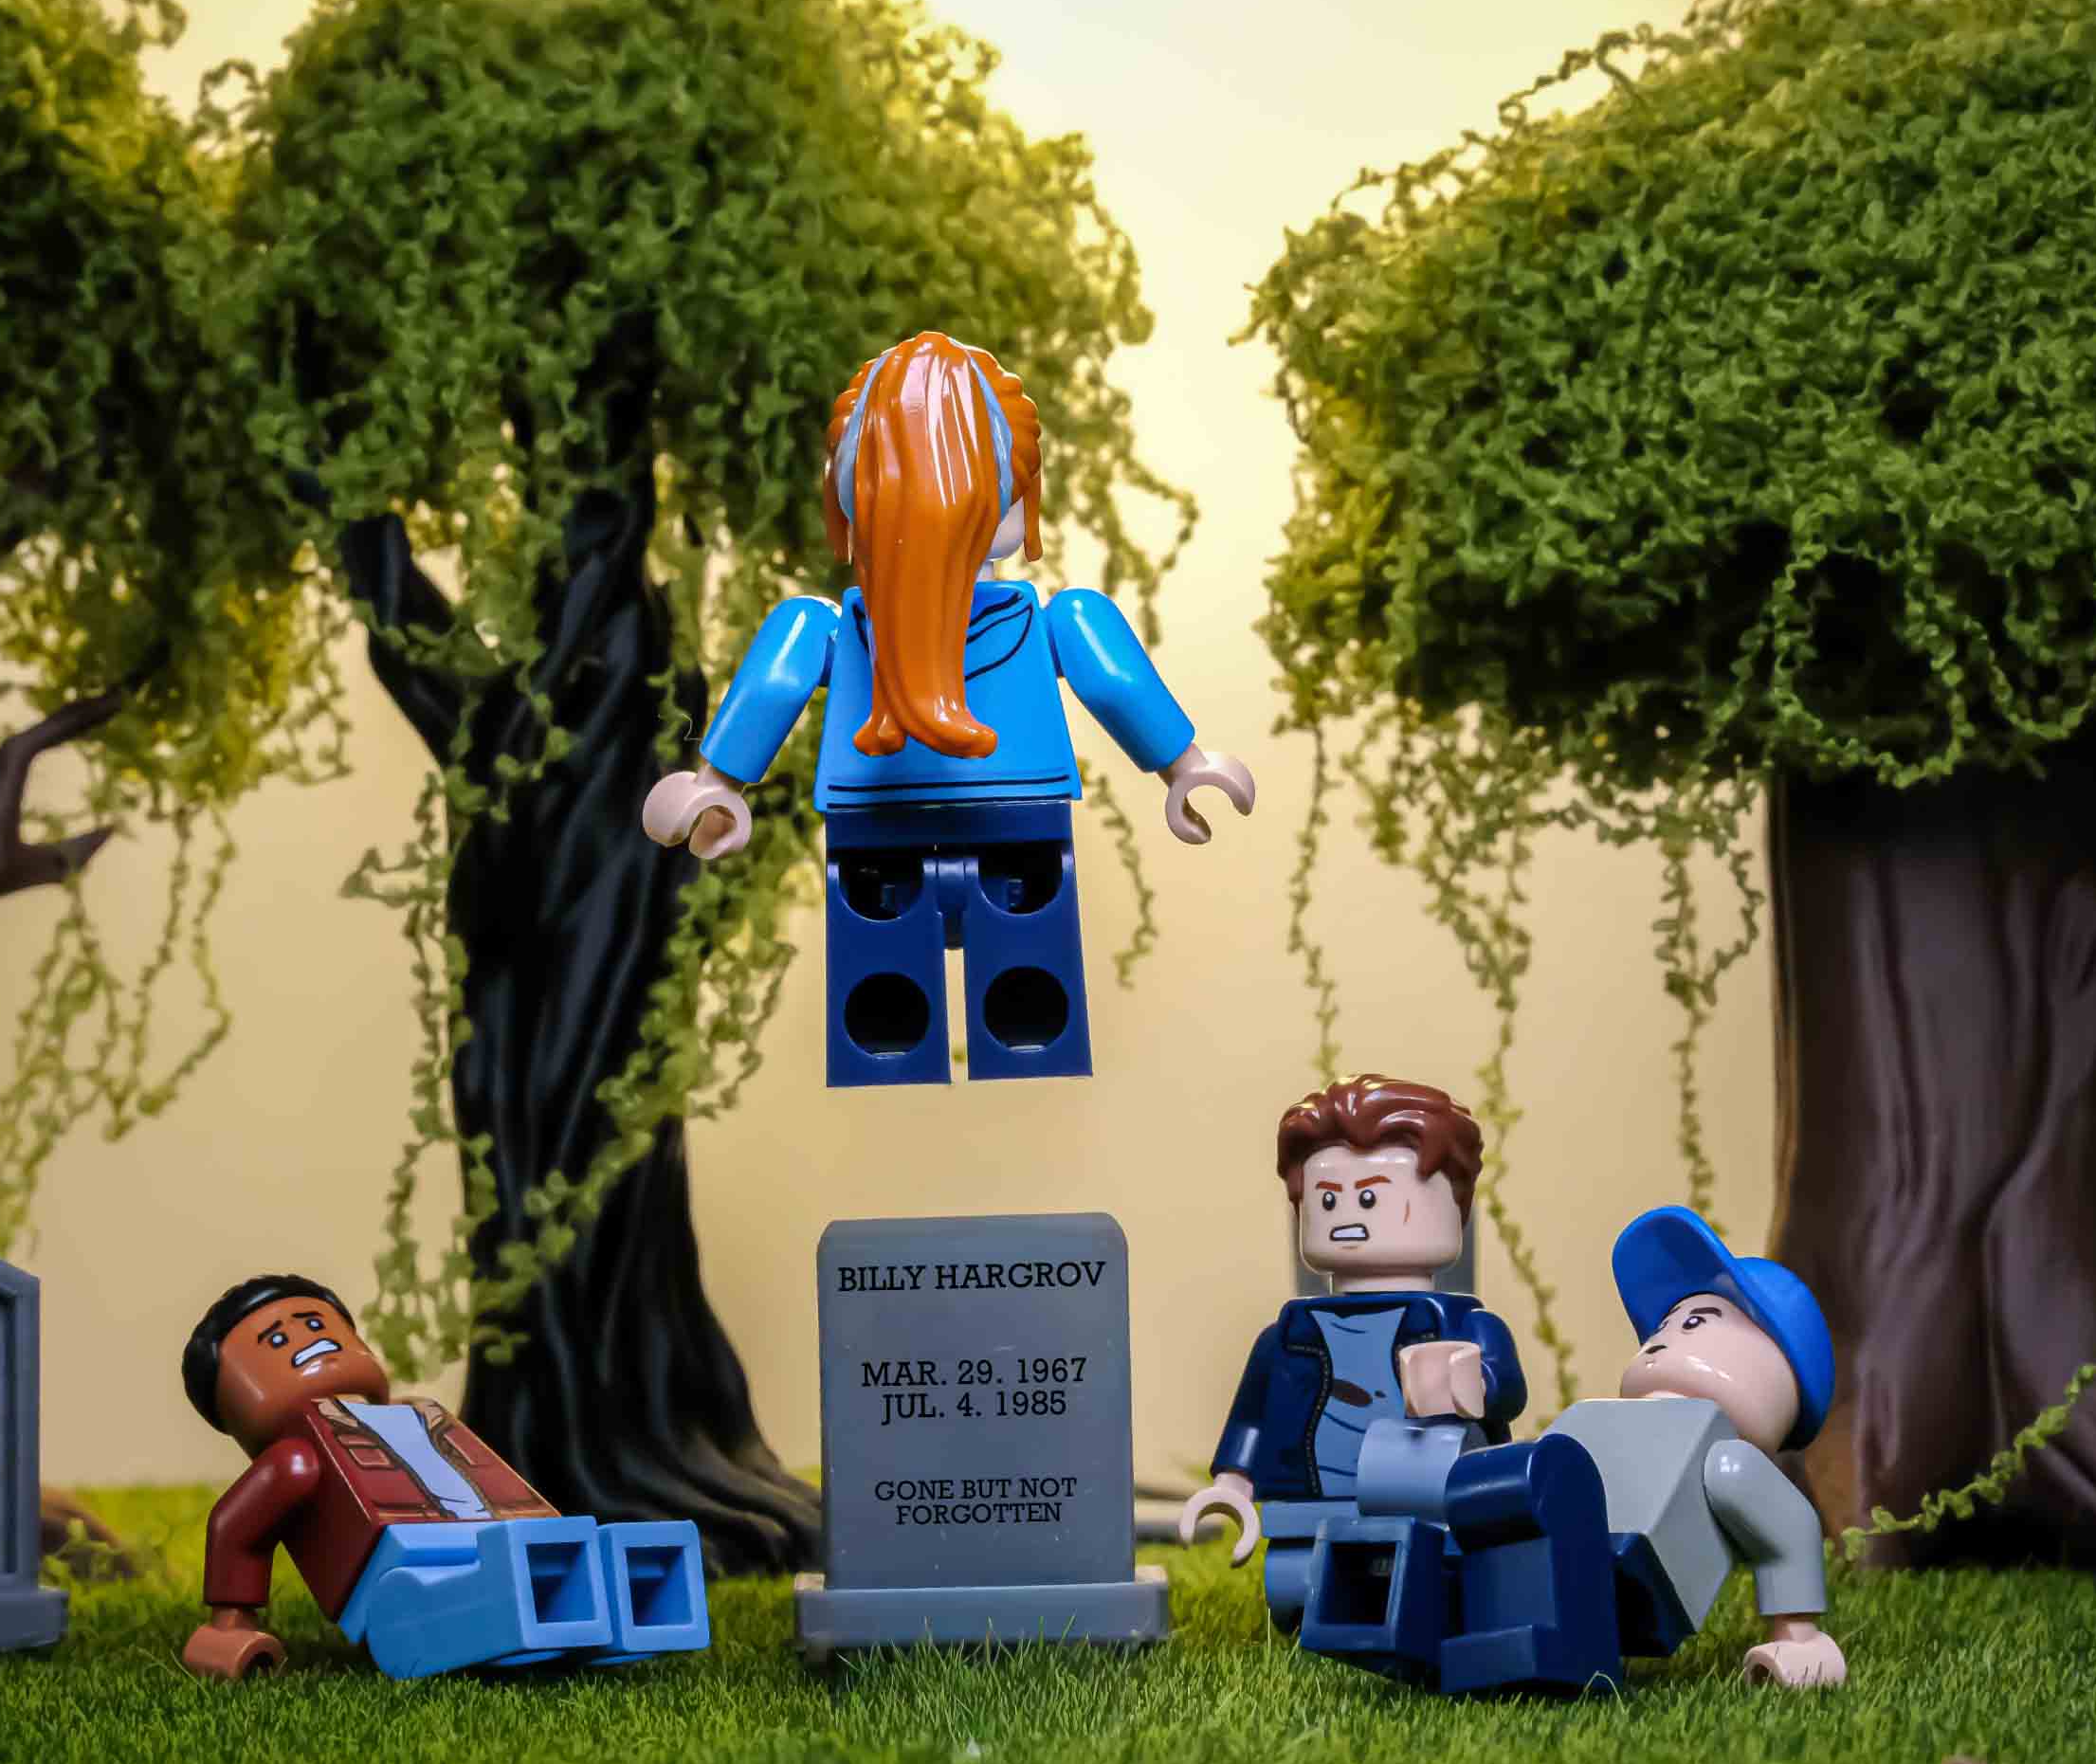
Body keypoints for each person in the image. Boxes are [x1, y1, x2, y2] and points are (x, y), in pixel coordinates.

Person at [638, 331, 1254, 1085]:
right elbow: (772, 686)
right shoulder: (839, 628)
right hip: (915, 825)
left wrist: (1185, 767)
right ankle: (921, 1053)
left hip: (997, 823)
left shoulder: (1025, 621)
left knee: (1016, 994)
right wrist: (715, 784)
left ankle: (989, 1050)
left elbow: (1114, 680)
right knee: (893, 996)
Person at [1299, 1204, 1845, 1694]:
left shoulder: (1725, 1459)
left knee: (1536, 1491)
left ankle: (1483, 1627)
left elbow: (1790, 1529)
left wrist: (1797, 1636)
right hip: (1558, 1543)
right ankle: (1405, 1611)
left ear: (1779, 1372)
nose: (1663, 1336)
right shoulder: (1606, 1419)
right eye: (1668, 1323)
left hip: (1619, 1569)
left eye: (1695, 1323)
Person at [178, 1274, 707, 1680]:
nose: (308, 1341)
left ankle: (610, 1605)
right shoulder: (295, 1460)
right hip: (399, 1573)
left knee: (586, 1560)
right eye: (275, 1340)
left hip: (508, 1537)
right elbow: (235, 1528)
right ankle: (535, 1616)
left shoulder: (418, 1415)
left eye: (317, 1325)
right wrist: (229, 1625)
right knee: (509, 1586)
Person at [1177, 1075, 1525, 1630]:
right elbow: (1253, 1418)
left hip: (1429, 1502)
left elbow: (1505, 1387)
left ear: (1453, 1206)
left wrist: (1468, 1384)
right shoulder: (1288, 1336)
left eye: (1369, 1196)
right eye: (1327, 1199)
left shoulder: (1461, 1325)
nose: (1347, 1216)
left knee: (1438, 1589)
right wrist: (1232, 1485)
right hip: (1311, 1505)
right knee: (1298, 1588)